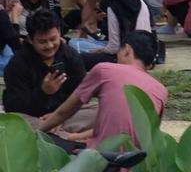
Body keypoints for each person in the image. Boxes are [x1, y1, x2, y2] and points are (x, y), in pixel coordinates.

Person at [39, 30, 168, 148]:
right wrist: (76, 137)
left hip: (102, 158)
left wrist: (38, 132)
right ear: (150, 64)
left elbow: (65, 112)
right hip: (138, 162)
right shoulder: (161, 90)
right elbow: (128, 127)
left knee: (47, 139)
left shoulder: (105, 70)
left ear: (127, 50)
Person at [3, 10, 91, 131]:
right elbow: (16, 106)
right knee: (18, 123)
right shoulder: (17, 64)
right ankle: (55, 133)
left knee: (100, 110)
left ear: (59, 33)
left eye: (53, 39)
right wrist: (44, 92)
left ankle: (55, 133)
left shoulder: (71, 56)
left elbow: (80, 93)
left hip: (66, 113)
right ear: (30, 39)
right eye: (42, 42)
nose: (49, 46)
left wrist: (59, 115)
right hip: (34, 116)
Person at [82, 0, 152, 69]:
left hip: (124, 56)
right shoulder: (141, 3)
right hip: (144, 54)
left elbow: (114, 47)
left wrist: (100, 50)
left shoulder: (113, 7)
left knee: (82, 57)